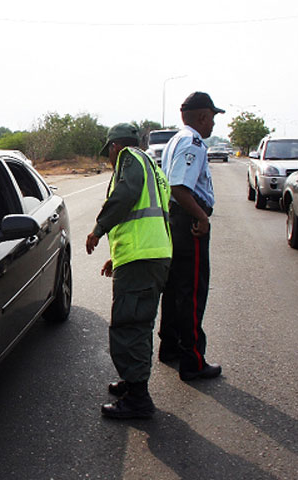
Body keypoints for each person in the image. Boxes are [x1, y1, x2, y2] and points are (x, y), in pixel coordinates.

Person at [86, 123, 172, 419]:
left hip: (142, 261)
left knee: (129, 326)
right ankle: (131, 382)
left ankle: (138, 398)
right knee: (138, 324)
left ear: (114, 147)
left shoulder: (130, 159)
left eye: (109, 153)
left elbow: (126, 195)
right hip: (149, 257)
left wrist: (99, 228)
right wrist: (117, 256)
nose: (111, 160)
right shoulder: (154, 168)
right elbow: (144, 217)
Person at [158, 92, 224, 381]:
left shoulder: (176, 139)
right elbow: (179, 187)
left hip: (176, 219)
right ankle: (193, 360)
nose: (213, 124)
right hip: (188, 222)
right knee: (193, 291)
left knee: (174, 288)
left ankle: (170, 346)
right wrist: (202, 217)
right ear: (201, 116)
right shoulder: (193, 143)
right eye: (212, 117)